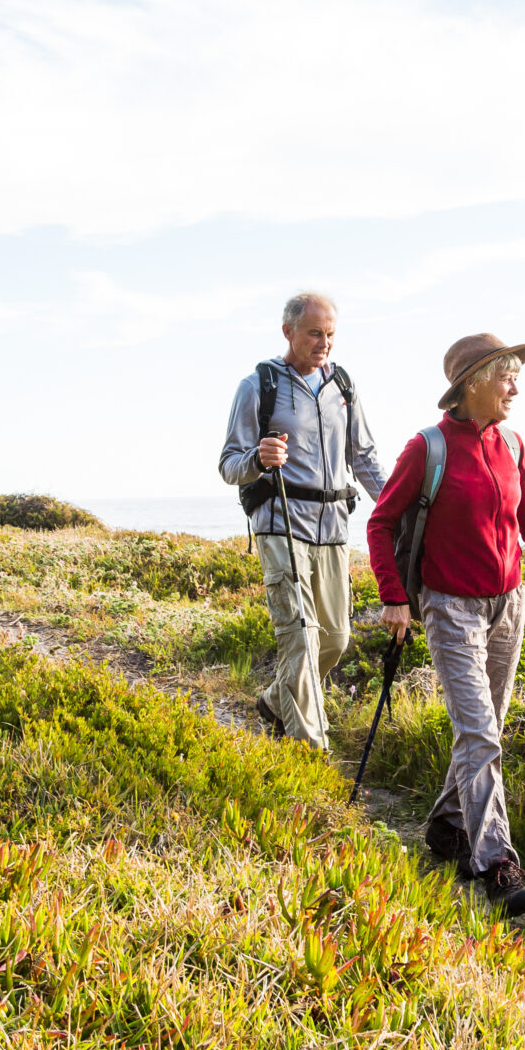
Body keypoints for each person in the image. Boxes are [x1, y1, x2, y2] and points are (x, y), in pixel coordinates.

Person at [367, 332, 525, 917]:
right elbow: (381, 524)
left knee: (482, 730)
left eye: (516, 376)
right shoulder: (428, 448)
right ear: (472, 384)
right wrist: (394, 597)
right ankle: (497, 865)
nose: (515, 387)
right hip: (449, 607)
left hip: (508, 603)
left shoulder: (512, 444)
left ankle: (445, 827)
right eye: (505, 376)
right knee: (480, 733)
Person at [218, 292, 386, 750]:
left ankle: (275, 699)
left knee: (335, 638)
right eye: (315, 333)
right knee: (300, 639)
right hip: (280, 524)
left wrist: (395, 507)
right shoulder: (258, 385)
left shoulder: (343, 387)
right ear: (288, 331)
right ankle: (312, 748)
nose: (324, 342)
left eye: (331, 334)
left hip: (333, 528)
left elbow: (365, 457)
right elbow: (229, 463)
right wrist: (258, 457)